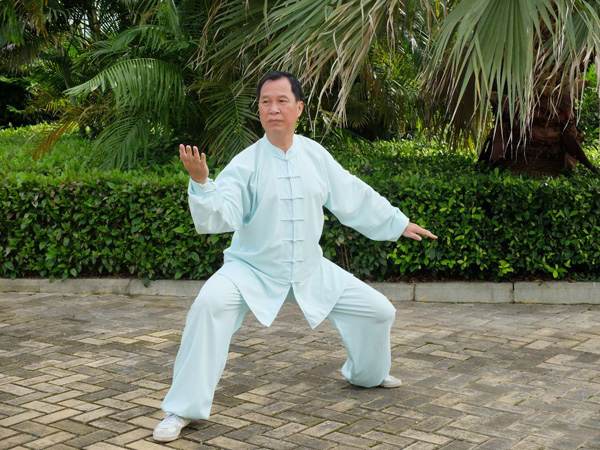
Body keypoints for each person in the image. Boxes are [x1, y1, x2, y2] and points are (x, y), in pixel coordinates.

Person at [153, 71, 437, 442]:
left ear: (299, 108)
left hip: (309, 268)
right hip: (250, 269)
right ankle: (181, 409)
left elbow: (351, 193)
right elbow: (223, 213)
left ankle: (367, 375)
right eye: (265, 102)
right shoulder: (246, 163)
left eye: (282, 101)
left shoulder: (315, 155)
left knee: (378, 311)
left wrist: (396, 222)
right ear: (258, 110)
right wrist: (202, 182)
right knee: (208, 306)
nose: (273, 109)